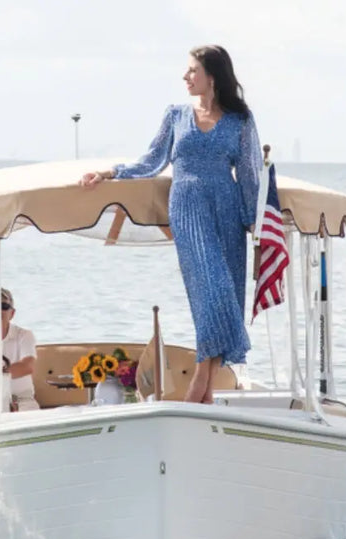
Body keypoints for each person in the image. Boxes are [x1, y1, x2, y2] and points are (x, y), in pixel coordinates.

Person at [80, 45, 262, 404]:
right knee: (209, 291)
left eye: (192, 70)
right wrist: (112, 172)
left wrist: (257, 222)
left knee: (224, 294)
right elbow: (153, 159)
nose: (185, 76)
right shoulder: (176, 115)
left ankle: (205, 392)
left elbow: (250, 174)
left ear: (212, 76)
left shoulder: (241, 119)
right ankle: (200, 381)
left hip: (226, 211)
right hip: (188, 209)